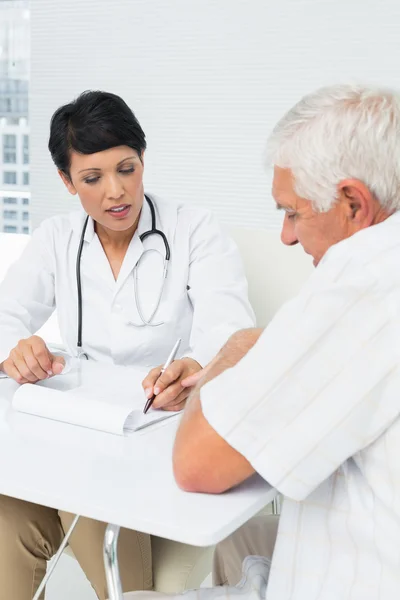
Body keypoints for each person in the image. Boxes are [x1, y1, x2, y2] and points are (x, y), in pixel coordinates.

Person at [127, 84, 400, 600]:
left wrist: (235, 351)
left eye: (293, 212)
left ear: (353, 202)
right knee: (242, 537)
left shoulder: (365, 275)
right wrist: (253, 356)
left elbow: (197, 463)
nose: (286, 238)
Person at [0, 91, 255, 600]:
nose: (117, 192)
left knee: (92, 512)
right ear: (67, 181)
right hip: (78, 436)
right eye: (93, 178)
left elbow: (231, 331)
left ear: (143, 160)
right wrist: (16, 348)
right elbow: (5, 316)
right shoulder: (56, 238)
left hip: (155, 442)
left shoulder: (193, 231)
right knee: (6, 525)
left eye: (127, 168)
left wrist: (196, 366)